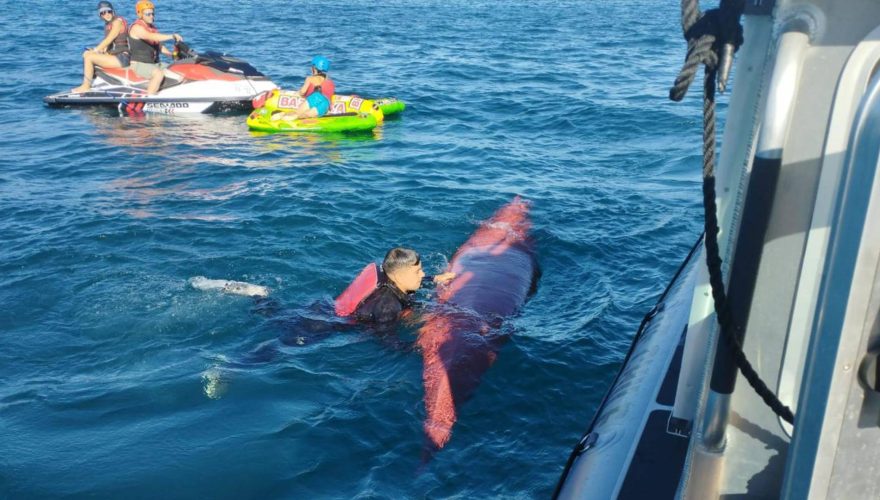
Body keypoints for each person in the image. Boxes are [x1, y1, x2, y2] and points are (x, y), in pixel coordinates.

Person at [354, 247, 455, 324]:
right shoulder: (388, 307)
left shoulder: (394, 281)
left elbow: (413, 281)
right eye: (417, 271)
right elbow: (385, 337)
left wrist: (435, 278)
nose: (423, 274)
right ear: (398, 276)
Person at [72, 2, 131, 94]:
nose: (106, 14)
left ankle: (86, 86)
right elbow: (106, 47)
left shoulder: (117, 22)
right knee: (87, 54)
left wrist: (96, 50)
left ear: (113, 11)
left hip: (122, 57)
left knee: (89, 58)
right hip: (115, 56)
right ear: (100, 15)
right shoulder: (108, 24)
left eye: (108, 11)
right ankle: (97, 82)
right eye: (103, 13)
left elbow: (109, 39)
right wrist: (95, 51)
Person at [127, 0, 183, 95]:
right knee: (158, 74)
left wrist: (172, 55)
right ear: (140, 14)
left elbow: (160, 47)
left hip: (154, 64)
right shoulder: (136, 28)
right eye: (148, 14)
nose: (151, 16)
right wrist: (171, 36)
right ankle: (149, 98)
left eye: (152, 13)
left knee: (177, 69)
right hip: (139, 64)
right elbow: (151, 36)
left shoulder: (152, 28)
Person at [272, 56, 337, 120]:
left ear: (314, 68)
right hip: (325, 103)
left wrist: (299, 93)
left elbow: (302, 92)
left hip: (313, 98)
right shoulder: (331, 83)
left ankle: (281, 116)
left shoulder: (310, 78)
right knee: (305, 115)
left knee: (297, 115)